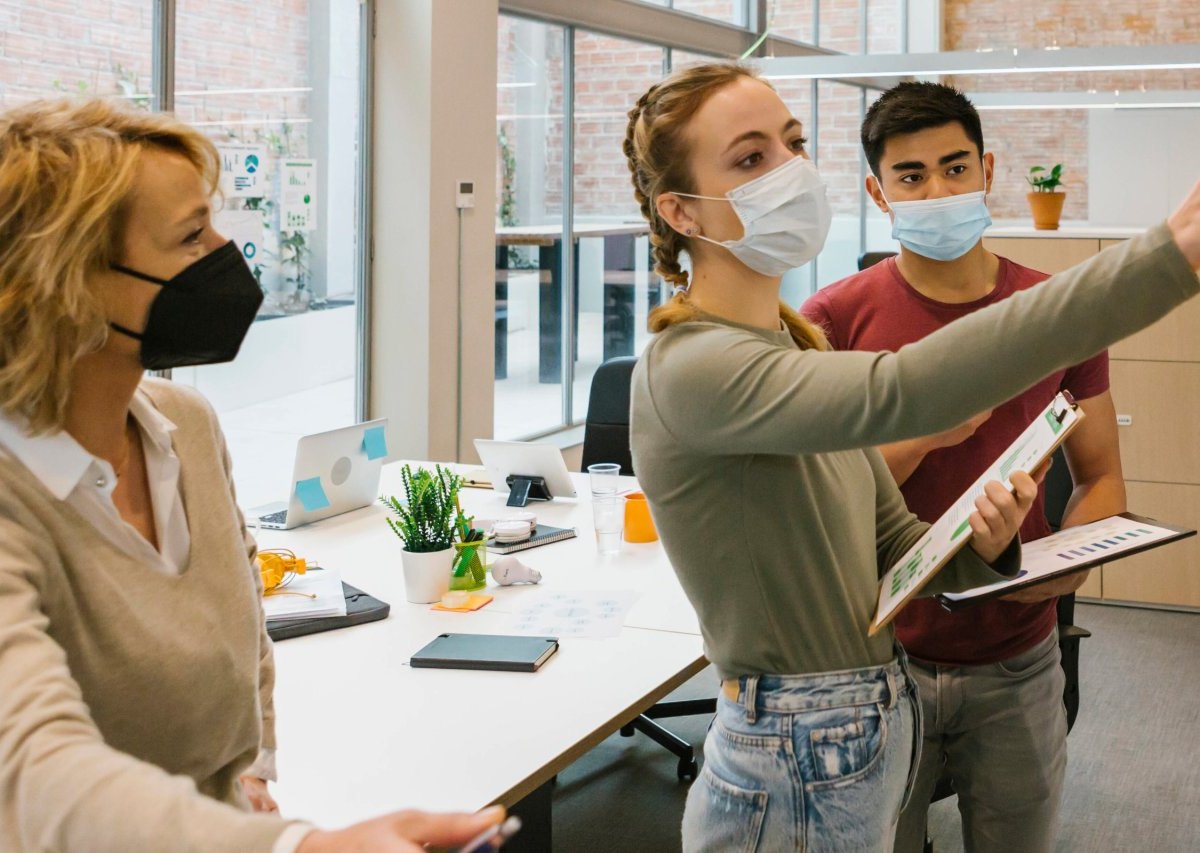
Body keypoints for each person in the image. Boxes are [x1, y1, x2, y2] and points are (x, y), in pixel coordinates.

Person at [623, 62, 1200, 852]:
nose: (790, 171)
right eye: (751, 158)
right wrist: (1165, 257)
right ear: (681, 210)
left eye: (793, 144)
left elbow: (892, 542)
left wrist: (985, 547)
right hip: (794, 742)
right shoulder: (695, 363)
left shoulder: (794, 342)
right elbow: (907, 387)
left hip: (863, 718)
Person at [0, 99, 506, 852]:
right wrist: (293, 846)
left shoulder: (184, 424)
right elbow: (35, 770)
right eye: (191, 234)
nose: (225, 252)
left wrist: (251, 768)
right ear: (71, 283)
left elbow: (244, 624)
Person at [801, 81, 1124, 853]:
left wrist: (1060, 568)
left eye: (954, 168)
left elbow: (1103, 478)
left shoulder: (1054, 312)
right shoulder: (833, 318)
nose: (937, 189)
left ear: (986, 171)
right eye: (911, 177)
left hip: (1017, 656)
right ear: (879, 192)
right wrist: (928, 430)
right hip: (876, 661)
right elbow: (814, 498)